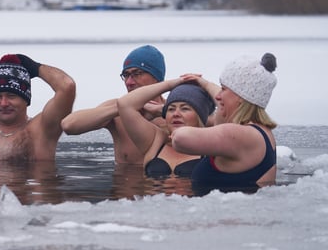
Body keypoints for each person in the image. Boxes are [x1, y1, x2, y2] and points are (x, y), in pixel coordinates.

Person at [172, 53, 278, 194]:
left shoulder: (239, 135)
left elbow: (179, 139)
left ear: (241, 96)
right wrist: (204, 83)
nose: (217, 96)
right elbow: (228, 99)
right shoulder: (262, 132)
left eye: (223, 88)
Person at [62, 44, 166, 165]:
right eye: (126, 75)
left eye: (137, 73)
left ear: (156, 77)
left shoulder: (173, 112)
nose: (129, 82)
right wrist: (125, 108)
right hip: (125, 177)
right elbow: (69, 125)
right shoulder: (116, 111)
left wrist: (164, 112)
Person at [117, 78, 216, 179]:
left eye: (185, 109)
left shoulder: (213, 146)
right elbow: (124, 104)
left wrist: (207, 85)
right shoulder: (156, 140)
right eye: (171, 109)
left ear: (199, 116)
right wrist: (170, 85)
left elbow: (227, 108)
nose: (176, 114)